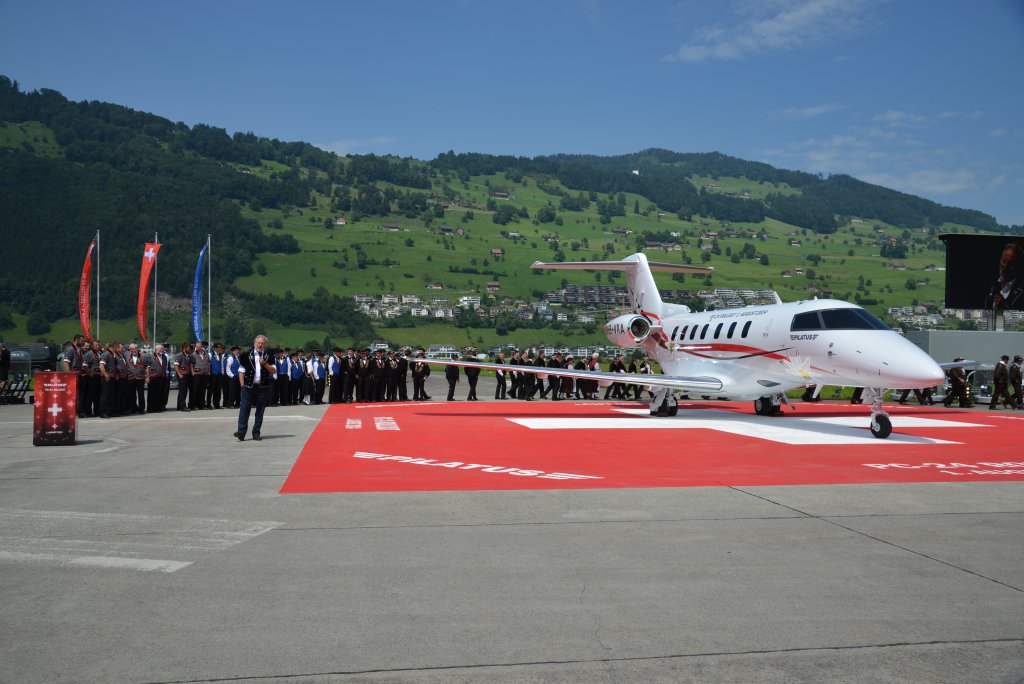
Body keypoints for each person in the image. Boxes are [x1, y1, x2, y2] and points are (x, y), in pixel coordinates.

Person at [234, 334, 277, 441]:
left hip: (262, 387)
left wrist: (265, 364)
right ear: (254, 343)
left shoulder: (269, 356)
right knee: (244, 410)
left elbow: (274, 370)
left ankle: (256, 433)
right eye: (258, 343)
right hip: (248, 387)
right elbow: (241, 371)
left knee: (260, 411)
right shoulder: (246, 355)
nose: (260, 345)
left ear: (265, 345)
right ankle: (241, 432)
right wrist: (242, 384)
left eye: (262, 343)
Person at [986, 242, 1024, 310]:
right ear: (1000, 260)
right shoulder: (992, 285)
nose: (1005, 266)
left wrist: (1006, 308)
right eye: (1004, 261)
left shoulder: (1021, 290)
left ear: (1018, 266)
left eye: (1011, 264)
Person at [147, 343, 169, 413]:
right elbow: (147, 368)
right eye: (160, 349)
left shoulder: (164, 357)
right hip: (153, 377)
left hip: (161, 377)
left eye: (162, 349)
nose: (162, 350)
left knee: (160, 393)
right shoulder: (151, 356)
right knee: (152, 393)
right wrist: (147, 377)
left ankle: (158, 407)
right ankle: (150, 408)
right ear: (156, 349)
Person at [174, 342, 193, 412]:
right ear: (185, 348)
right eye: (188, 348)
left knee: (184, 391)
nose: (189, 349)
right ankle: (183, 406)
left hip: (186, 374)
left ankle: (179, 406)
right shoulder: (180, 355)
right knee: (183, 391)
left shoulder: (187, 355)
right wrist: (179, 374)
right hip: (182, 375)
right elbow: (176, 365)